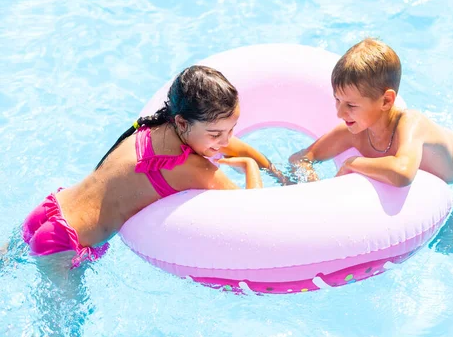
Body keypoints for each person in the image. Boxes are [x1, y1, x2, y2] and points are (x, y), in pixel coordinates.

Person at [23, 65, 284, 268]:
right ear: (182, 123)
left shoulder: (155, 127)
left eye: (231, 130)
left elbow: (234, 146)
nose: (225, 141)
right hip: (66, 242)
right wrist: (250, 167)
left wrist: (276, 172)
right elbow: (253, 215)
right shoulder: (195, 169)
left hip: (50, 209)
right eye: (216, 135)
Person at [289, 37, 453, 191]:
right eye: (337, 100)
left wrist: (353, 163)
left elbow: (402, 174)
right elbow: (300, 158)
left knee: (450, 243)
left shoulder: (411, 123)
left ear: (386, 100)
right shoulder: (353, 132)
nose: (340, 113)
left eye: (350, 105)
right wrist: (315, 190)